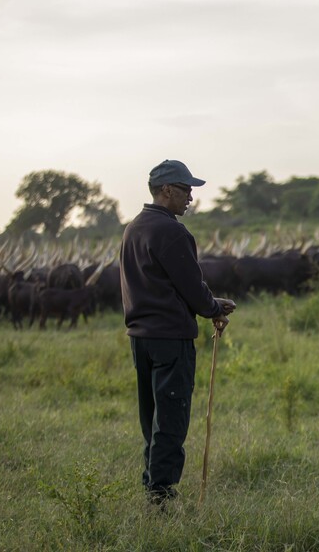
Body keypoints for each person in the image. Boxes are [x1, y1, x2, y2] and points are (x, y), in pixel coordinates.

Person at [120, 159, 236, 507]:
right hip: (171, 339)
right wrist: (214, 308)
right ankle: (162, 498)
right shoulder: (172, 232)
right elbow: (190, 286)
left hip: (141, 339)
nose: (190, 197)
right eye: (185, 190)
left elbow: (160, 284)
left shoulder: (133, 228)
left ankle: (151, 487)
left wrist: (209, 303)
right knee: (171, 419)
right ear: (166, 190)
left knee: (152, 417)